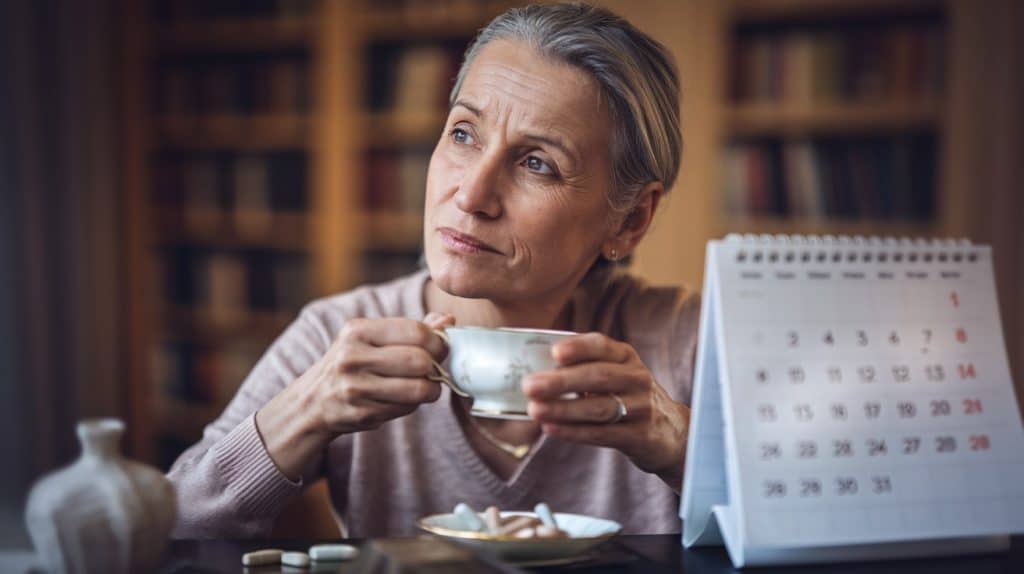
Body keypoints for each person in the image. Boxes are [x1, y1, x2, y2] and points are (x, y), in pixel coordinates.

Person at [168, 2, 699, 538]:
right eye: (464, 134)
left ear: (630, 221)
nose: (470, 195)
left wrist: (680, 446)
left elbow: (786, 520)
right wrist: (306, 409)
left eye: (537, 163)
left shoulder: (688, 342)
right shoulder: (340, 335)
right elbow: (165, 528)